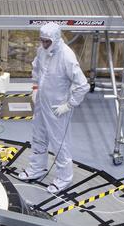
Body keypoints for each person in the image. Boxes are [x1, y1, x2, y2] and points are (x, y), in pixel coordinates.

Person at [20, 23, 90, 193]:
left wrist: (69, 104)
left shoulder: (66, 57)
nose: (43, 45)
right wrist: (35, 88)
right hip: (41, 104)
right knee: (38, 137)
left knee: (59, 144)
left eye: (47, 42)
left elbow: (83, 85)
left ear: (56, 40)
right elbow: (36, 68)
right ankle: (37, 168)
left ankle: (64, 178)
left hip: (58, 108)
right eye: (42, 41)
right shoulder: (42, 50)